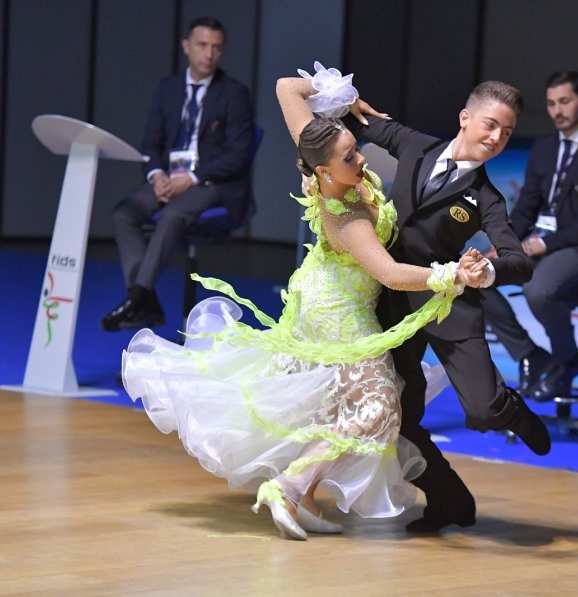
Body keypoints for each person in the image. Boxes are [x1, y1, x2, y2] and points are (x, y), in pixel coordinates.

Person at [121, 69, 489, 541]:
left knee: (335, 405)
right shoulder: (348, 217)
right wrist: (452, 274)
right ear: (324, 173)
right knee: (378, 408)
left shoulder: (317, 147)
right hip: (340, 313)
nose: (361, 157)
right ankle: (290, 486)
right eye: (349, 156)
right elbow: (390, 274)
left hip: (322, 292)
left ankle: (303, 495)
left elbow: (285, 87)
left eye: (355, 148)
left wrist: (344, 98)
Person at [343, 75, 552, 534]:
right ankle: (450, 501)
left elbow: (519, 261)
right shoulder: (415, 146)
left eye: (507, 132)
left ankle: (509, 408)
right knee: (398, 415)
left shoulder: (488, 197)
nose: (496, 138)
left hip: (449, 302)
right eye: (490, 125)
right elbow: (355, 123)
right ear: (465, 117)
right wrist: (341, 99)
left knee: (483, 411)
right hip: (394, 299)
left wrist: (487, 270)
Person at [100, 17, 255, 331]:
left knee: (172, 215)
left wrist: (193, 178)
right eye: (202, 45)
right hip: (169, 179)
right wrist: (157, 175)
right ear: (187, 46)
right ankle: (145, 302)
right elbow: (150, 143)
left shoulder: (234, 93)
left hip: (212, 182)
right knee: (123, 214)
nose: (209, 54)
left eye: (216, 47)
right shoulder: (168, 89)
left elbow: (237, 156)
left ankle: (137, 299)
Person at [481, 70, 578, 401]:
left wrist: (536, 246)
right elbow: (526, 207)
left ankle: (567, 360)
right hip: (544, 244)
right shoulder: (544, 148)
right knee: (477, 276)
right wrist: (504, 244)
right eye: (551, 104)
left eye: (565, 101)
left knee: (539, 288)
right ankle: (529, 354)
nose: (557, 110)